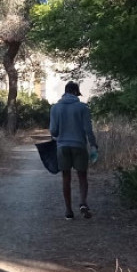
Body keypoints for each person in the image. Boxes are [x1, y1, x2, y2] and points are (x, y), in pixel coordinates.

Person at [50, 81, 98, 220]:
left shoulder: (55, 108)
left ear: (65, 92)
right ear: (76, 93)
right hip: (79, 145)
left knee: (66, 178)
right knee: (82, 176)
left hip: (62, 146)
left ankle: (68, 211)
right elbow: (88, 130)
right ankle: (83, 202)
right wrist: (93, 145)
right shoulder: (83, 107)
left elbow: (53, 131)